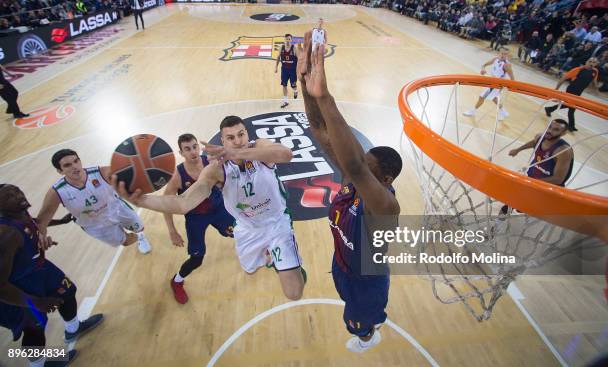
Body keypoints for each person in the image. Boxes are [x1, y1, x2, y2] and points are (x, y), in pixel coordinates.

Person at [112, 118, 306, 301]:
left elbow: (286, 154)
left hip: (277, 225)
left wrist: (237, 153)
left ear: (248, 134)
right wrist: (142, 201)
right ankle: (272, 258)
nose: (238, 141)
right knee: (250, 270)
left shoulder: (260, 147)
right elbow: (183, 203)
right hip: (247, 229)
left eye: (241, 135)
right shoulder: (216, 169)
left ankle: (286, 260)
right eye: (231, 138)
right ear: (223, 141)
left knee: (294, 292)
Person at [297, 31, 403, 353]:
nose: (356, 163)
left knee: (359, 324)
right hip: (343, 263)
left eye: (368, 166)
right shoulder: (353, 180)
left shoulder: (385, 207)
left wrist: (326, 97)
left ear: (385, 178)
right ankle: (367, 324)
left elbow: (356, 165)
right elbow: (319, 130)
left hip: (366, 281)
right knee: (344, 298)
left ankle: (369, 336)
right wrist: (305, 84)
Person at [0, 184, 104, 367]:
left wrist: (59, 221)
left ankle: (73, 329)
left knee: (68, 292)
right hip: (16, 286)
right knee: (34, 328)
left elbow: (33, 222)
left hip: (39, 268)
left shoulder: (19, 214)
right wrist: (35, 302)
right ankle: (38, 365)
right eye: (9, 196)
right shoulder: (6, 235)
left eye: (17, 190)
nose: (18, 195)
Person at [163, 134, 235, 304]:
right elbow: (166, 204)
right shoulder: (177, 176)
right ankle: (177, 281)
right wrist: (172, 231)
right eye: (187, 149)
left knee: (240, 232)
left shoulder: (210, 162)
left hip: (218, 210)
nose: (193, 151)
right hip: (195, 218)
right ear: (181, 153)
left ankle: (261, 251)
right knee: (197, 258)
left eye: (195, 146)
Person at [36, 149, 152, 254]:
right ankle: (137, 239)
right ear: (60, 171)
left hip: (117, 209)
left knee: (139, 228)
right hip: (95, 224)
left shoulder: (101, 172)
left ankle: (141, 236)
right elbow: (42, 221)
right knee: (125, 242)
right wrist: (41, 237)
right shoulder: (56, 192)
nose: (75, 166)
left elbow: (131, 174)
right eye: (67, 165)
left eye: (76, 161)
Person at [499, 118, 574, 216]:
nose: (550, 131)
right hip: (534, 179)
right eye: (549, 127)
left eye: (556, 130)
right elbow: (534, 142)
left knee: (528, 210)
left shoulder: (563, 151)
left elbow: (558, 179)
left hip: (549, 188)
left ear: (563, 133)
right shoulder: (540, 137)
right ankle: (497, 224)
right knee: (510, 203)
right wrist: (518, 150)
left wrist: (532, 183)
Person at [545, 58, 599, 132]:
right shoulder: (578, 69)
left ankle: (550, 109)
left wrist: (596, 89)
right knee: (572, 108)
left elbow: (594, 81)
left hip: (579, 92)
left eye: (594, 62)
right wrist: (556, 89)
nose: (591, 63)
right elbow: (564, 78)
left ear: (596, 64)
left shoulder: (595, 71)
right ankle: (571, 126)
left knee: (568, 105)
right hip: (571, 90)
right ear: (586, 62)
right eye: (590, 61)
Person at [463, 47, 515, 120]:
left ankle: (473, 111)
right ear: (499, 53)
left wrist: (510, 86)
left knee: (481, 97)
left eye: (505, 54)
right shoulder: (495, 59)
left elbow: (512, 77)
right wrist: (483, 69)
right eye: (502, 53)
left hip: (497, 85)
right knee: (494, 98)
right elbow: (484, 65)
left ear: (507, 55)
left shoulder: (507, 65)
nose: (503, 55)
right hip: (491, 82)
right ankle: (503, 112)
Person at [275, 34, 298, 109]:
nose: (287, 40)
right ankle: (286, 101)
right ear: (284, 40)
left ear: (291, 40)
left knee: (293, 85)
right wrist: (276, 67)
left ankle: (295, 91)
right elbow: (278, 57)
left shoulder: (294, 48)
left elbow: (298, 60)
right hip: (284, 69)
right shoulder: (281, 47)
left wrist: (298, 69)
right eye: (286, 39)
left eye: (289, 39)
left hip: (292, 70)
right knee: (284, 85)